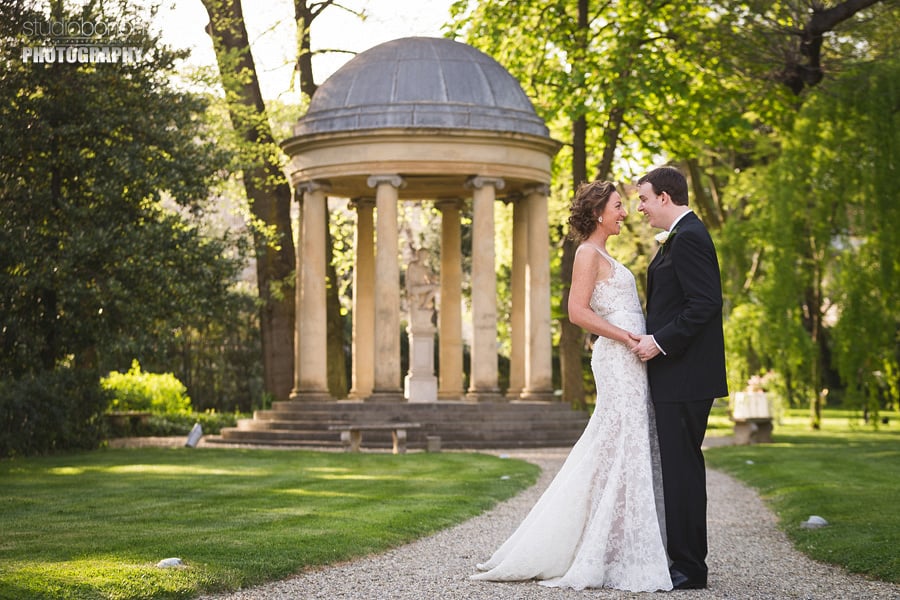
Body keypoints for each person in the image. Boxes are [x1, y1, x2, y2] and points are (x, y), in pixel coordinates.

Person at [471, 180, 672, 593]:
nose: (625, 212)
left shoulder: (605, 254)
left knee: (627, 445)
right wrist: (626, 337)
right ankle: (597, 548)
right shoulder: (586, 254)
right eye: (618, 206)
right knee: (616, 444)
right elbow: (577, 312)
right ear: (598, 213)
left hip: (631, 359)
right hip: (618, 359)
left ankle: (618, 544)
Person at [630, 166, 728, 590]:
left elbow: (705, 303)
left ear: (665, 198)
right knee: (679, 469)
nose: (640, 207)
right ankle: (684, 562)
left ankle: (689, 568)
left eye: (644, 198)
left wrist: (659, 342)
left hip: (685, 376)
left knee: (682, 471)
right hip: (679, 376)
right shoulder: (682, 236)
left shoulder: (688, 237)